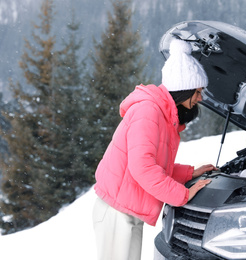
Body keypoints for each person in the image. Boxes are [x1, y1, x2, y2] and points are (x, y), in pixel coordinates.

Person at [92, 38, 217, 260]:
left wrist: (189, 173)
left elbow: (154, 165)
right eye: (197, 92)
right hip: (117, 212)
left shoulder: (162, 114)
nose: (200, 98)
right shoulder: (148, 112)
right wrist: (183, 194)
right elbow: (143, 168)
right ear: (182, 89)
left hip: (125, 209)